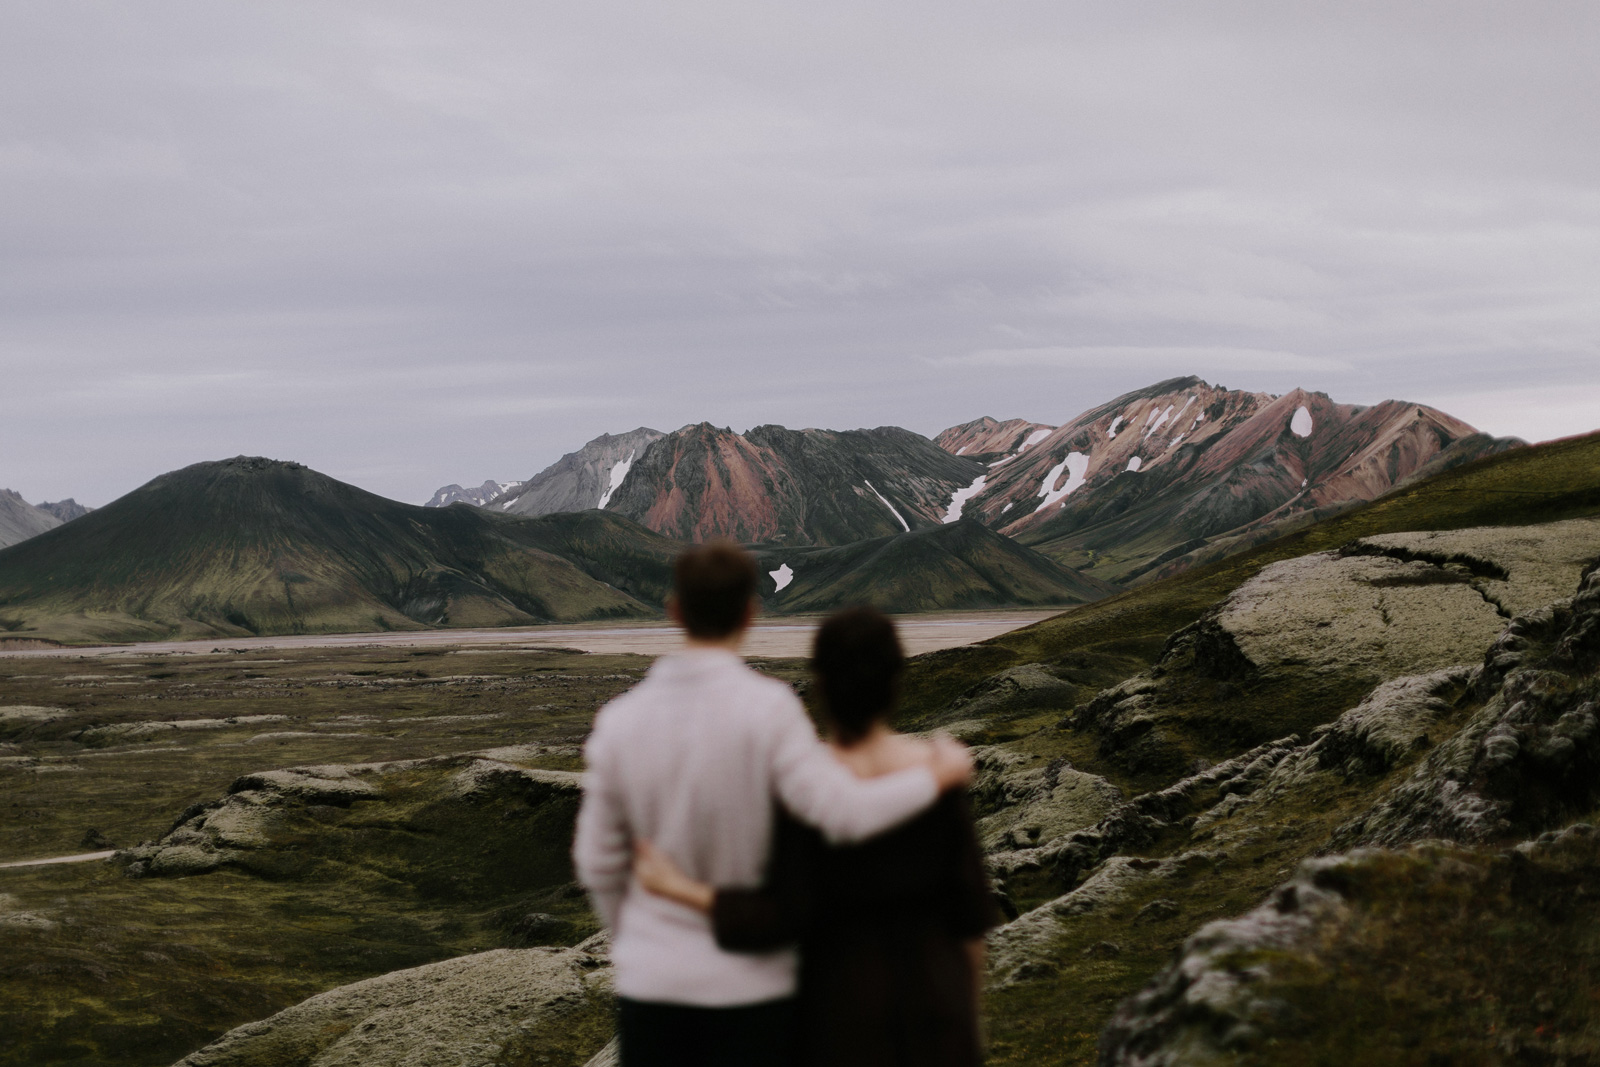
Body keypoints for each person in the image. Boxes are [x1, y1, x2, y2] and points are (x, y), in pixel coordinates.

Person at [572, 544, 974, 1067]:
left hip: (652, 985)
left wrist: (643, 939)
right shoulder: (771, 711)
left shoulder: (619, 722)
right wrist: (934, 778)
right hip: (754, 989)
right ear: (749, 612)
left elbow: (596, 861)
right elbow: (843, 813)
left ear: (674, 610)